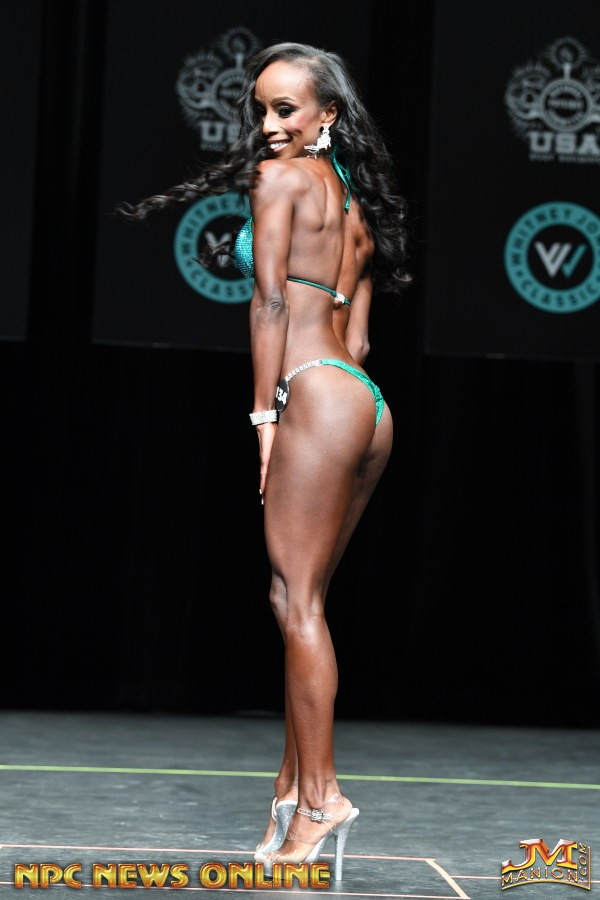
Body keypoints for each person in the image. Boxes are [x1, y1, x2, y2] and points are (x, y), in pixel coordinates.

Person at [117, 41, 411, 880]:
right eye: (261, 109)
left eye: (286, 108)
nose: (269, 124)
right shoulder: (355, 201)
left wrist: (265, 417)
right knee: (298, 600)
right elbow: (360, 338)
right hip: (365, 402)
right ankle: (290, 789)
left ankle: (322, 800)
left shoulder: (279, 181)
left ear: (327, 114)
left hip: (313, 392)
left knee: (296, 603)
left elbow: (272, 301)